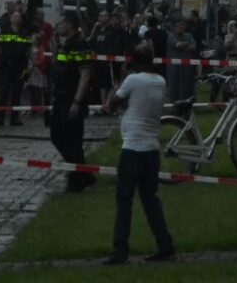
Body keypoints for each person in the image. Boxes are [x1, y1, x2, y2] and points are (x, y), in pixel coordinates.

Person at [102, 45, 175, 265]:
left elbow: (112, 103)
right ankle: (165, 245)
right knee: (150, 199)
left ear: (133, 62)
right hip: (152, 148)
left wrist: (123, 76)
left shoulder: (133, 80)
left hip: (132, 147)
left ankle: (120, 249)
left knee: (124, 200)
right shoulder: (160, 81)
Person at [46, 17, 99, 194]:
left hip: (71, 98)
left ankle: (78, 179)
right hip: (60, 97)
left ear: (70, 25)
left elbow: (85, 74)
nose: (58, 26)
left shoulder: (79, 44)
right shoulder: (66, 43)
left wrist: (77, 101)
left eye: (61, 23)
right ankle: (83, 174)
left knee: (72, 140)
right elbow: (58, 66)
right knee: (57, 135)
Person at [0, 4, 31, 124]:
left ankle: (15, 118)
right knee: (4, 91)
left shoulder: (24, 33)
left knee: (17, 92)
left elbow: (29, 50)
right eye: (14, 16)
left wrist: (31, 64)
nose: (16, 19)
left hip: (19, 66)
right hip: (5, 65)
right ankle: (0, 117)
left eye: (18, 17)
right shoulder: (4, 32)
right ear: (10, 19)